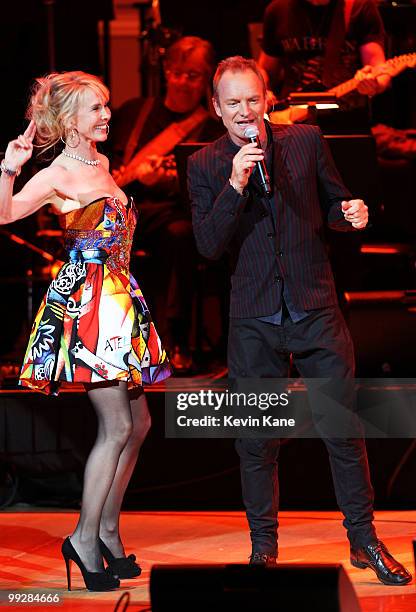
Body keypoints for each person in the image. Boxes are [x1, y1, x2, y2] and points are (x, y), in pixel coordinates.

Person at [187, 56, 411, 585]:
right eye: (233, 103)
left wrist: (350, 213)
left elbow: (334, 202)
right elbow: (208, 246)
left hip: (315, 306)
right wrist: (236, 183)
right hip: (252, 317)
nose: (245, 111)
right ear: (216, 109)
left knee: (343, 431)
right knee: (257, 441)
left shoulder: (305, 141)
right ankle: (263, 549)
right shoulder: (204, 165)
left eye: (253, 99)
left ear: (268, 98)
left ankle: (364, 542)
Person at [0, 71, 171, 591]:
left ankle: (108, 532)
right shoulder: (55, 174)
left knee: (137, 426)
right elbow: (4, 214)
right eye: (95, 109)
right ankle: (83, 537)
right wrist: (9, 170)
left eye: (106, 107)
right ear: (69, 118)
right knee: (117, 427)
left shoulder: (102, 163)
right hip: (90, 306)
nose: (106, 116)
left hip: (121, 299)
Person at [111, 36, 224, 372]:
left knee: (180, 234)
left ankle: (173, 336)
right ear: (166, 72)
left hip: (175, 213)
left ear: (206, 80)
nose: (183, 82)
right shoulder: (134, 111)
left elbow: (209, 189)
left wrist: (166, 182)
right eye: (177, 73)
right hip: (129, 209)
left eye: (193, 76)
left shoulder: (211, 128)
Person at [258, 0, 391, 130]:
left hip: (346, 121)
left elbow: (379, 69)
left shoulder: (359, 7)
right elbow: (266, 70)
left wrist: (374, 84)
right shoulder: (278, 9)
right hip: (290, 119)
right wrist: (261, 92)